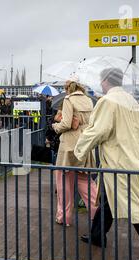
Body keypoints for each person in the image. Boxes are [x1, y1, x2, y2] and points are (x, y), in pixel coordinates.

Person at [74, 67, 139, 260]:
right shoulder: (131, 101)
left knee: (135, 210)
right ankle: (97, 235)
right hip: (132, 159)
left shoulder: (108, 101)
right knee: (108, 200)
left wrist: (79, 150)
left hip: (119, 162)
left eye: (101, 80)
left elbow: (98, 131)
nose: (100, 84)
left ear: (107, 80)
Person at [52, 80, 99, 226]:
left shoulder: (68, 100)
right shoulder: (88, 100)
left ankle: (64, 217)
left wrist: (55, 125)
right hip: (84, 144)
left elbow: (65, 124)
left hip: (69, 145)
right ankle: (97, 214)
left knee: (63, 182)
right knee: (85, 181)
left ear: (67, 89)